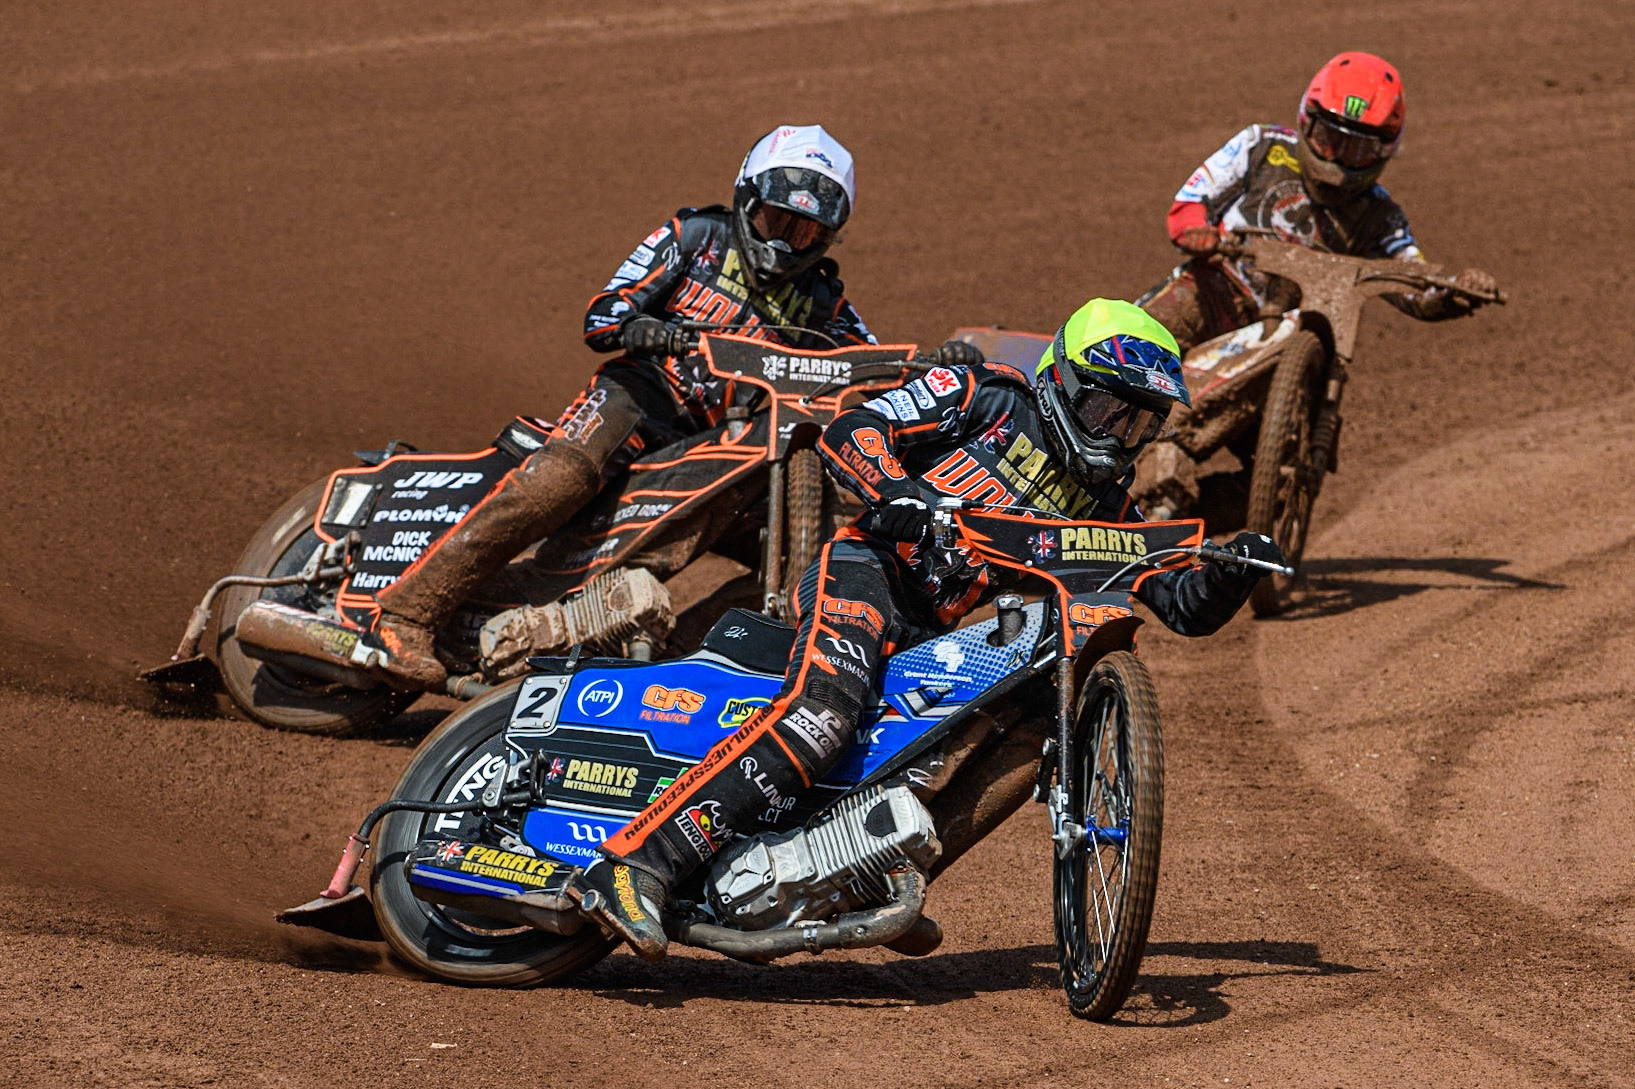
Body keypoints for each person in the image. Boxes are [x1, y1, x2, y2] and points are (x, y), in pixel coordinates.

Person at [568, 298, 1285, 960]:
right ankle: (634, 863)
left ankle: (875, 871)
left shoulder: (1107, 503)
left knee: (1042, 720)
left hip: (933, 629)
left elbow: (1181, 605)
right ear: (1061, 381)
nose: (1117, 435)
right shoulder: (985, 396)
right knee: (823, 717)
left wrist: (1232, 569)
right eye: (1106, 408)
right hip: (864, 570)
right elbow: (852, 432)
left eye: (1138, 422)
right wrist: (899, 490)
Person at [351, 123, 983, 687]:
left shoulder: (823, 303)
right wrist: (643, 330)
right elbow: (602, 316)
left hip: (723, 447)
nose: (787, 244)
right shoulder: (695, 236)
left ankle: (674, 669)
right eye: (775, 223)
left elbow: (874, 371)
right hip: (639, 399)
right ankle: (405, 613)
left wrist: (941, 366)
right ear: (745, 202)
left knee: (801, 568)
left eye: (807, 231)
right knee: (560, 478)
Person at [1140, 51, 1498, 353]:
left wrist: (1455, 292)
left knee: (1309, 388)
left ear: (1384, 150)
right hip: (1220, 287)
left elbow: (1412, 281)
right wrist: (1195, 230)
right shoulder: (1262, 146)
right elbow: (1192, 199)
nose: (1338, 159)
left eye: (1357, 149)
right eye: (1330, 139)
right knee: (1142, 339)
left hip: (1299, 328)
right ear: (1307, 121)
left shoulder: (1381, 217)